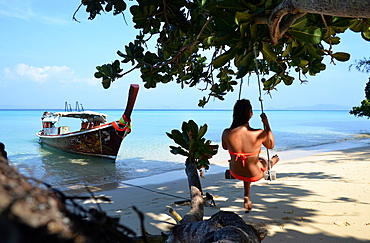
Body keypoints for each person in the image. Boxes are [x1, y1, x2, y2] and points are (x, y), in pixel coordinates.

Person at [222, 99, 279, 211]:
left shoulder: (226, 133)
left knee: (247, 162)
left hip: (236, 171)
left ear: (235, 114)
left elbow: (225, 147)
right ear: (250, 114)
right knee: (262, 161)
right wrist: (267, 125)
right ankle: (273, 161)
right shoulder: (259, 133)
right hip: (254, 174)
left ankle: (246, 195)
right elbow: (271, 145)